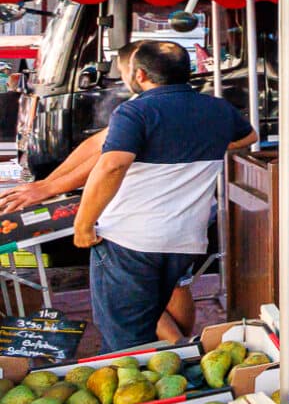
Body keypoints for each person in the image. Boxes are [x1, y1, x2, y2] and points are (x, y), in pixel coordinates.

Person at [1, 45, 202, 341]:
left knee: (143, 286)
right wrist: (44, 186)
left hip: (150, 215)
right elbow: (96, 144)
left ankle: (178, 346)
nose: (121, 78)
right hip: (165, 217)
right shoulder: (157, 106)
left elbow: (109, 161)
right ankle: (181, 346)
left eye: (123, 72)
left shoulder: (146, 111)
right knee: (161, 283)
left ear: (141, 73)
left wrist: (57, 195)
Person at [71, 41, 256, 352]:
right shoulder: (218, 109)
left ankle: (138, 399)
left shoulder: (134, 111)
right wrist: (207, 148)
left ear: (140, 74)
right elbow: (250, 137)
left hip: (128, 243)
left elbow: (112, 165)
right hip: (183, 242)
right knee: (146, 324)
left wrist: (83, 225)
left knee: (125, 343)